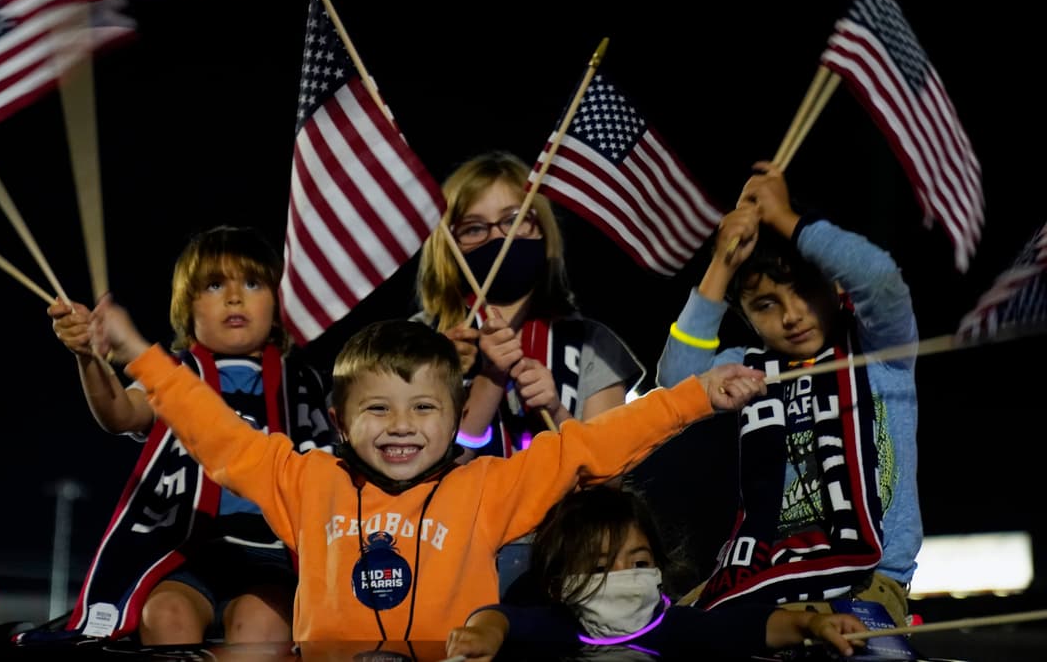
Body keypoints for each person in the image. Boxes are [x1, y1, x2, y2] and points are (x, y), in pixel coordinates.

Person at [88, 305, 768, 643]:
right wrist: (142, 356)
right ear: (337, 417)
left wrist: (698, 394)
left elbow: (594, 444)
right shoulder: (305, 481)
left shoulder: (489, 486)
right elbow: (219, 434)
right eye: (377, 408)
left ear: (454, 412)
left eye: (424, 407)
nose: (402, 425)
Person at [655, 162, 920, 627]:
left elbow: (881, 281)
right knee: (666, 637)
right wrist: (723, 265)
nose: (793, 316)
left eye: (805, 291)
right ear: (744, 314)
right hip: (763, 571)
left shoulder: (880, 350)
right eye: (766, 304)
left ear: (836, 285)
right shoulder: (748, 367)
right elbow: (676, 380)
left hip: (865, 577)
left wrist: (787, 222)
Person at [42, 225, 334, 646]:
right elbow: (119, 414)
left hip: (273, 552)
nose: (234, 298)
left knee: (263, 624)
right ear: (186, 306)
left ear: (277, 301)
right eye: (215, 285)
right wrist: (87, 358)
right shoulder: (173, 374)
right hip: (186, 547)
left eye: (252, 283)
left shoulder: (305, 383)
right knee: (165, 614)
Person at [415, 151, 646, 596]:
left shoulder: (592, 343)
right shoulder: (420, 344)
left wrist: (558, 409)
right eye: (476, 228)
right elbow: (421, 477)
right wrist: (488, 381)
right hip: (454, 548)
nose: (499, 238)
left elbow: (610, 479)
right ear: (450, 242)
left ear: (540, 228)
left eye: (514, 220)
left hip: (567, 550)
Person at [444, 482, 870, 660]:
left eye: (639, 562)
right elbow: (501, 618)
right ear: (559, 586)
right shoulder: (558, 627)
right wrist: (483, 634)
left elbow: (745, 627)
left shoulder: (668, 627)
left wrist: (814, 624)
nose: (625, 575)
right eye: (598, 567)